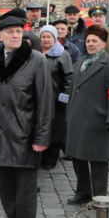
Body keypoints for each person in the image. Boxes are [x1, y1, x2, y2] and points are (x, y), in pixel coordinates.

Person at [0, 16, 51, 218]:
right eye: (9, 32)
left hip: (25, 138)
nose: (15, 35)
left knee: (25, 196)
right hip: (0, 137)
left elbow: (45, 102)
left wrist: (41, 137)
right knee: (6, 191)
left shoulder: (37, 61)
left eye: (18, 31)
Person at [65, 25, 109, 203]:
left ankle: (99, 195)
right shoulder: (79, 62)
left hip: (97, 119)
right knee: (78, 157)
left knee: (98, 160)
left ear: (103, 44)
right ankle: (83, 192)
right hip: (77, 117)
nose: (90, 44)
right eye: (88, 40)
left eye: (94, 41)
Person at [39, 25, 73, 169]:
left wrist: (64, 98)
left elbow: (69, 77)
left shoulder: (62, 54)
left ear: (54, 38)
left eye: (49, 37)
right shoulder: (36, 53)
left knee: (55, 131)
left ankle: (50, 160)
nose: (46, 40)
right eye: (43, 37)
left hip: (56, 100)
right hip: (39, 99)